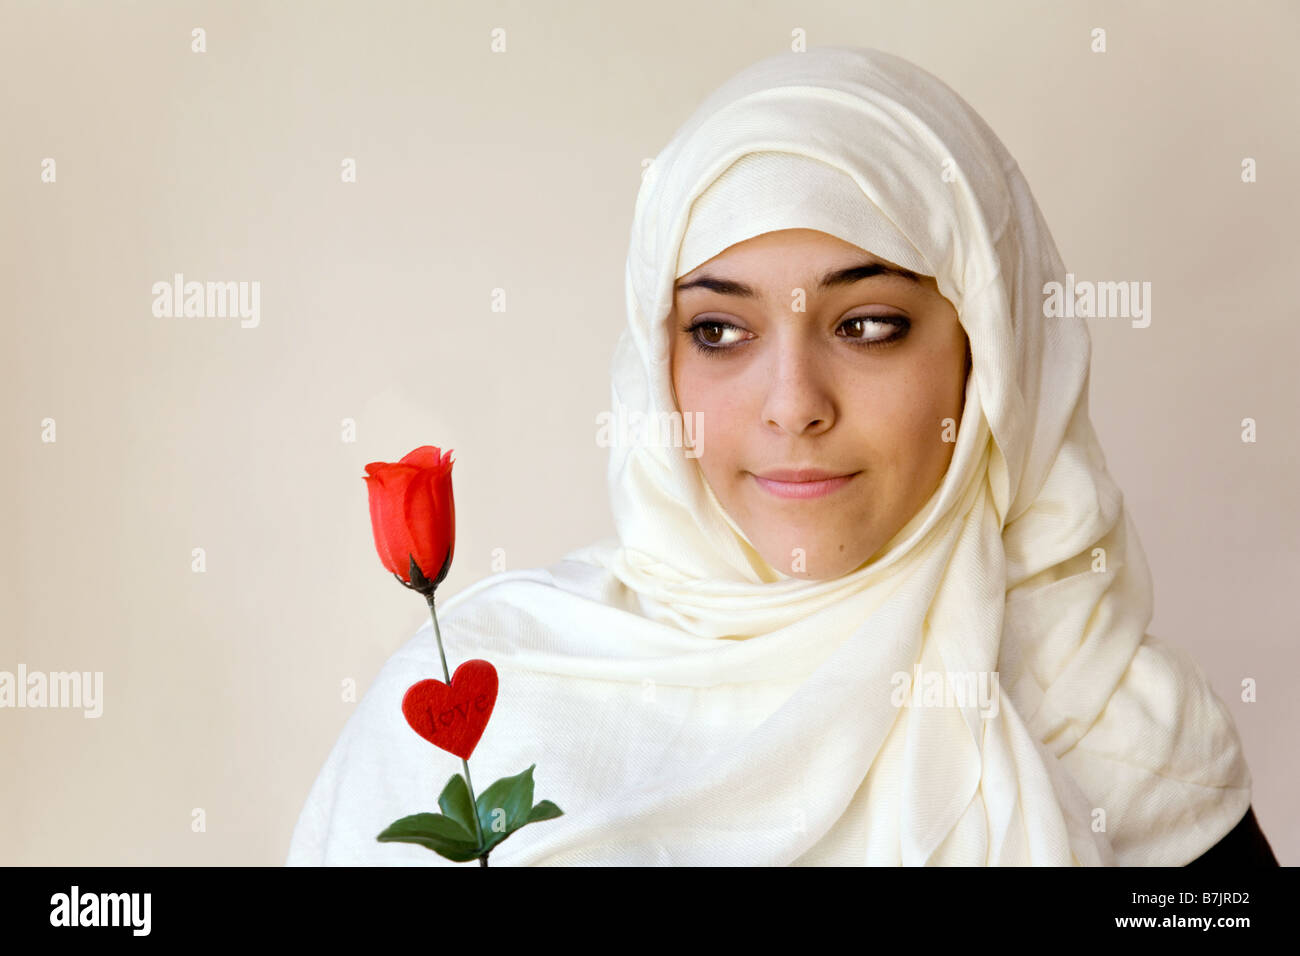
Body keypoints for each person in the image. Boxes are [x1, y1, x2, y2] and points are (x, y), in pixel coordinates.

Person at [287, 46, 1275, 865]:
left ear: (991, 356)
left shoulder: (1122, 738)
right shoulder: (488, 700)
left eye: (870, 324)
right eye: (719, 331)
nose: (793, 404)